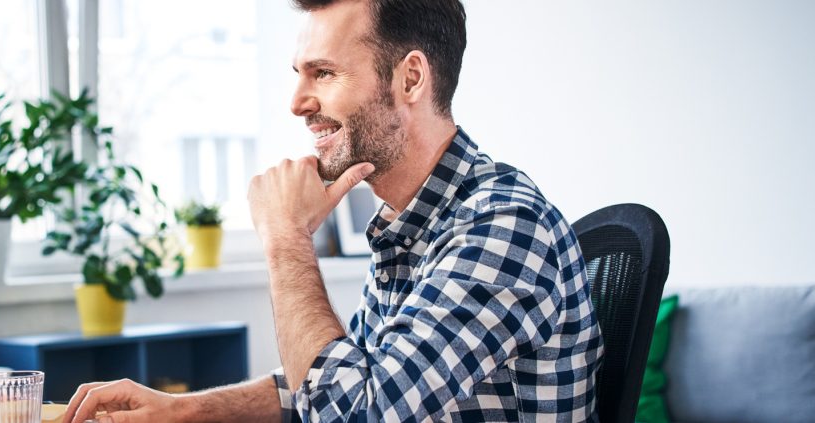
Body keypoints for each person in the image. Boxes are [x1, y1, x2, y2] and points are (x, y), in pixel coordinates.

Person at [62, 0, 603, 421]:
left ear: (410, 78)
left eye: (323, 73)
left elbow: (353, 411)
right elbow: (335, 385)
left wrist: (285, 237)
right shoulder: (412, 225)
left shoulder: (500, 228)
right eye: (299, 73)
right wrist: (183, 411)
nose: (296, 102)